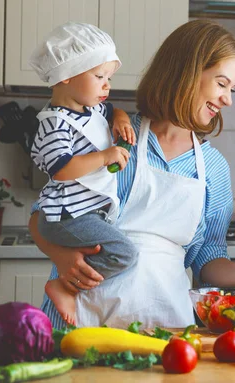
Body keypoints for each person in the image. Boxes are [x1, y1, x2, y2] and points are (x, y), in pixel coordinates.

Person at [28, 19, 235, 330]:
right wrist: (60, 255)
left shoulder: (214, 168)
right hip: (77, 320)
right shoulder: (113, 136)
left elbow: (208, 258)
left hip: (165, 329)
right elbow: (45, 212)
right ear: (187, 73)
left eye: (232, 88)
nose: (228, 99)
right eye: (221, 83)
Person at [28, 22, 139, 326]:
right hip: (65, 217)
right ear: (65, 75)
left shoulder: (90, 111)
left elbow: (112, 109)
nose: (107, 85)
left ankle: (68, 283)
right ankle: (63, 286)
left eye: (109, 78)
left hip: (82, 215)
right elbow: (62, 169)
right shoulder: (55, 123)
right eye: (99, 76)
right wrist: (104, 156)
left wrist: (121, 117)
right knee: (124, 253)